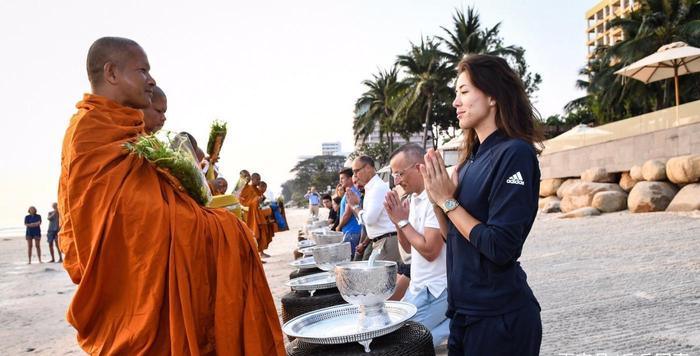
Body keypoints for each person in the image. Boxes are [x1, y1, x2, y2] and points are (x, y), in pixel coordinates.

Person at [58, 37, 283, 354]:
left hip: (151, 280)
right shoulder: (92, 130)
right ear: (111, 73)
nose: (150, 80)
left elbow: (156, 202)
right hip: (131, 294)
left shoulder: (126, 131)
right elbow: (139, 221)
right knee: (230, 231)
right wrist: (223, 229)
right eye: (142, 71)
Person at [420, 54, 543, 355]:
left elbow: (501, 247)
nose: (455, 102)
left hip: (500, 318)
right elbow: (456, 237)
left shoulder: (514, 154)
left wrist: (448, 201)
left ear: (492, 96)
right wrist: (438, 199)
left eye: (464, 91)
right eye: (455, 94)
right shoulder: (471, 159)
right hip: (464, 314)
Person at [384, 144, 449, 347]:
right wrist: (398, 221)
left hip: (436, 288)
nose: (397, 181)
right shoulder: (413, 199)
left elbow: (430, 250)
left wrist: (403, 222)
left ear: (420, 167)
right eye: (394, 176)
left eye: (400, 173)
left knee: (405, 341)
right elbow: (411, 248)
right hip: (419, 287)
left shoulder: (433, 199)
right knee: (396, 333)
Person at [346, 156, 401, 264]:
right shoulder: (372, 188)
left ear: (368, 168)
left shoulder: (377, 188)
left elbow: (370, 220)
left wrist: (355, 206)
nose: (355, 176)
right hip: (381, 241)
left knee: (380, 279)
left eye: (356, 171)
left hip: (387, 241)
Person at [240, 173, 271, 259]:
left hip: (258, 214)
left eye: (259, 179)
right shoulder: (247, 188)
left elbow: (259, 201)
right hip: (250, 215)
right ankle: (256, 255)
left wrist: (260, 200)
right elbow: (243, 202)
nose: (259, 181)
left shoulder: (257, 190)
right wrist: (256, 200)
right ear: (252, 179)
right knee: (254, 234)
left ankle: (261, 252)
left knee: (261, 233)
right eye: (257, 179)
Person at [335, 168, 362, 259]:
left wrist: (339, 226)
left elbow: (347, 214)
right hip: (352, 231)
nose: (340, 181)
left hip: (352, 232)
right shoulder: (350, 191)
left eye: (342, 178)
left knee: (350, 260)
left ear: (350, 178)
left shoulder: (351, 192)